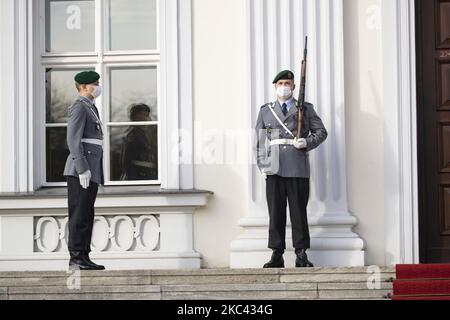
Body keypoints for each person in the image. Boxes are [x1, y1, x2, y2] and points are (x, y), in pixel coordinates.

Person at [255, 70, 328, 268]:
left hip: (297, 166)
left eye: (287, 83)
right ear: (275, 87)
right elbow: (261, 141)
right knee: (275, 213)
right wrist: (262, 165)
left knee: (298, 212)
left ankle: (301, 253)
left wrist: (306, 142)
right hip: (274, 167)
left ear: (294, 87)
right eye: (280, 83)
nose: (284, 86)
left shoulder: (305, 108)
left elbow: (321, 132)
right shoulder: (266, 111)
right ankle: (276, 254)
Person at [63, 71, 105, 270]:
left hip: (91, 168)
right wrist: (82, 168)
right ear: (84, 86)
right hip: (82, 170)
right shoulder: (79, 107)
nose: (98, 86)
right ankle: (77, 258)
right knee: (79, 214)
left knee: (87, 214)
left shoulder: (91, 107)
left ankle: (84, 256)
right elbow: (73, 139)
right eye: (95, 83)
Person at [119, 103, 157, 181]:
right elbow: (126, 162)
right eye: (145, 115)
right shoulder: (132, 134)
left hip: (145, 175)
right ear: (136, 116)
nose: (148, 119)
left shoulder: (142, 133)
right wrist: (134, 182)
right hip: (138, 177)